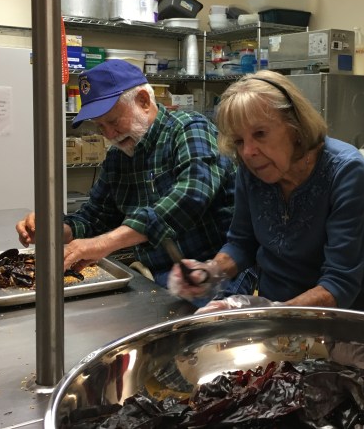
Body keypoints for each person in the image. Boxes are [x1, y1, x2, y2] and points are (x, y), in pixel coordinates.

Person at [15, 59, 254, 301]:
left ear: (143, 100)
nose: (109, 135)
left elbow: (191, 196)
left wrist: (102, 244)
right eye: (100, 127)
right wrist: (54, 230)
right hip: (162, 278)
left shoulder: (189, 129)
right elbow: (95, 217)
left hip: (218, 274)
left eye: (113, 121)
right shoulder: (118, 158)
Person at [167, 70, 364, 314]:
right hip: (277, 313)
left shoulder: (345, 171)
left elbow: (339, 285)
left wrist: (268, 311)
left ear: (295, 126)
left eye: (260, 134)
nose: (248, 152)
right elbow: (242, 243)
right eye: (239, 141)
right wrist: (209, 272)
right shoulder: (251, 170)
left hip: (348, 322)